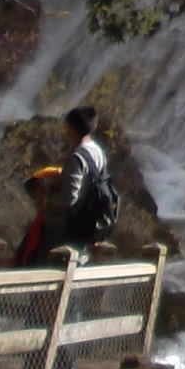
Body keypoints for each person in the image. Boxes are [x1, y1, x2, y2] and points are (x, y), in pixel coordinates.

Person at [55, 104, 118, 255]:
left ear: (70, 128)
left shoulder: (76, 157)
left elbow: (69, 198)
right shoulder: (98, 152)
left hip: (74, 225)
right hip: (92, 222)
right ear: (94, 126)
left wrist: (48, 196)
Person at [14, 165, 64, 266]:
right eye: (36, 194)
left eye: (42, 192)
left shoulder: (64, 224)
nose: (37, 200)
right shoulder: (37, 226)